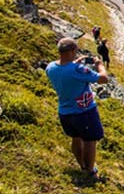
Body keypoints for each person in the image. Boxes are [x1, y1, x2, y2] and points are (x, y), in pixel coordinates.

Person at [46, 38, 109, 180]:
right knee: (90, 141)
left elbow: (65, 71)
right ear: (72, 51)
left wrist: (74, 64)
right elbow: (103, 78)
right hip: (84, 111)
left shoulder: (51, 67)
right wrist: (100, 65)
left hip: (65, 111)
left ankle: (82, 166)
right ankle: (90, 171)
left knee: (76, 138)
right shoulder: (78, 70)